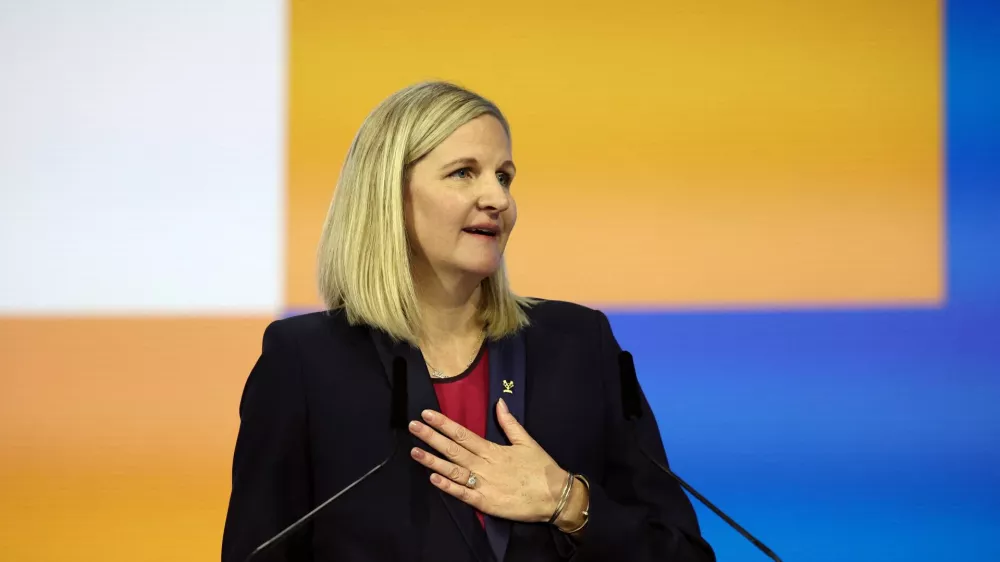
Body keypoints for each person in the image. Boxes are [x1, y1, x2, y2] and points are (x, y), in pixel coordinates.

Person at [222, 81, 715, 562]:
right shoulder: (306, 361)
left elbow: (682, 552)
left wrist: (568, 501)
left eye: (504, 176)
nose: (498, 199)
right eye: (463, 173)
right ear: (388, 195)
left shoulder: (579, 344)